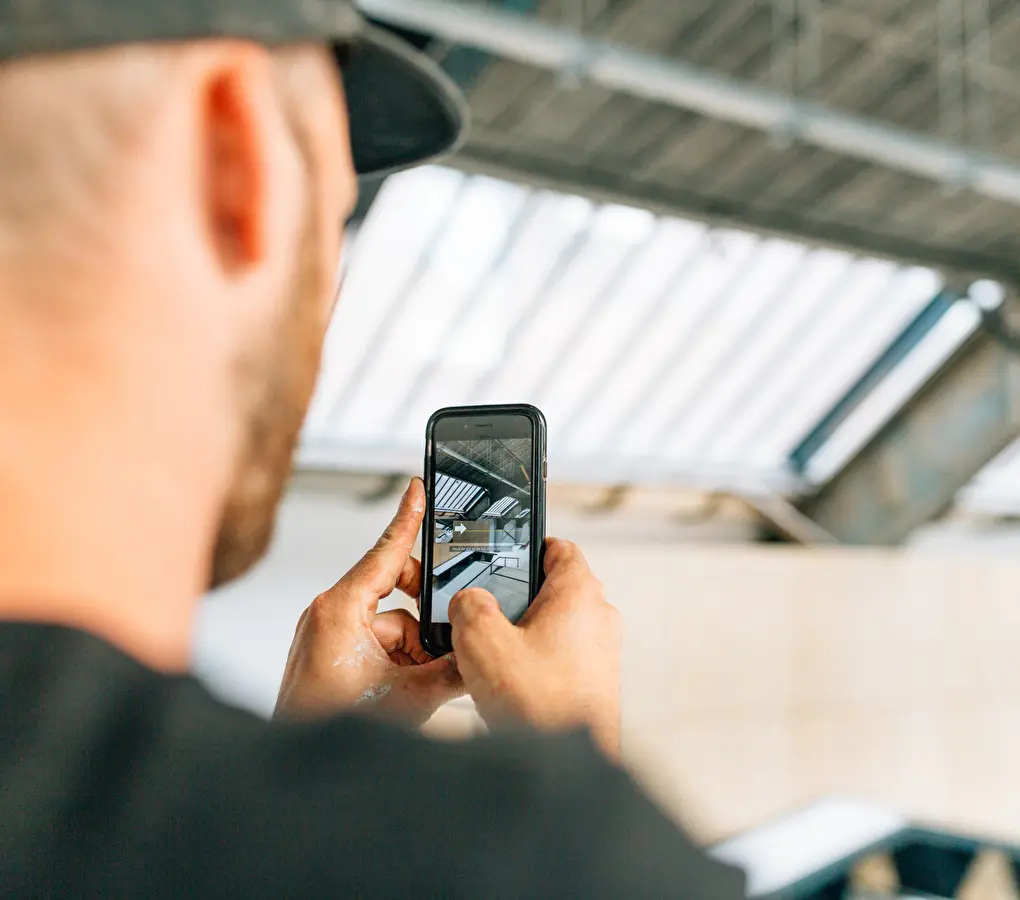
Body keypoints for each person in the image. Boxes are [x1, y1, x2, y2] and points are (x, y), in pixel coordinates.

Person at [0, 1, 746, 896]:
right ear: (235, 159)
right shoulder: (514, 857)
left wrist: (296, 752)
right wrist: (563, 767)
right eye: (338, 209)